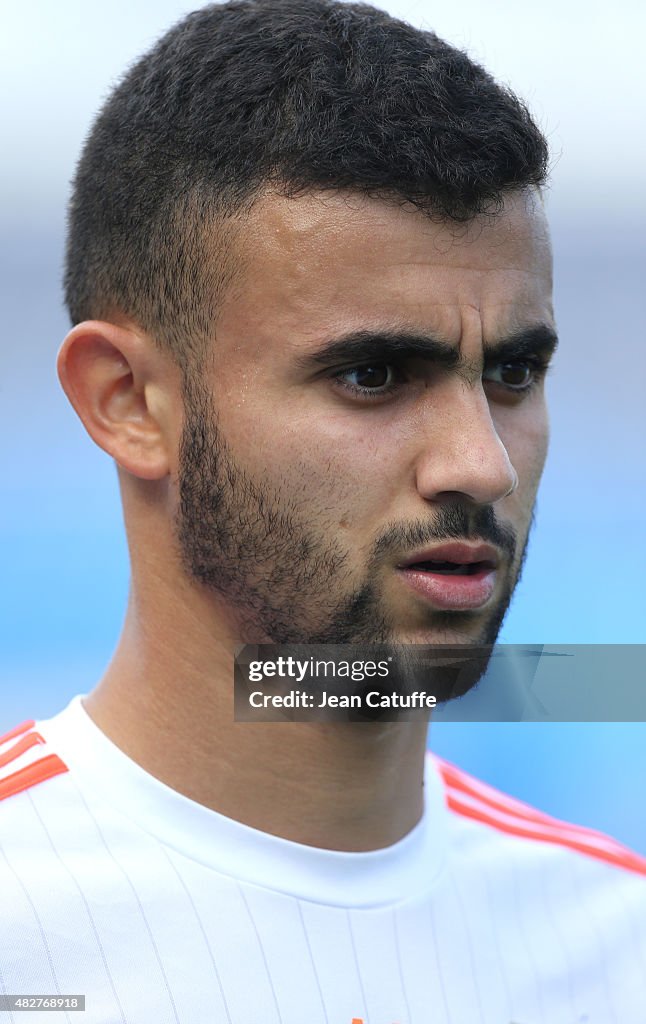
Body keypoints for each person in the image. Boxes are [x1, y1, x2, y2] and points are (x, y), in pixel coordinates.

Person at [1, 1, 644, 1021]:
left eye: (514, 372)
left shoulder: (615, 945)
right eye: (373, 374)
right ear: (128, 402)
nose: (477, 464)